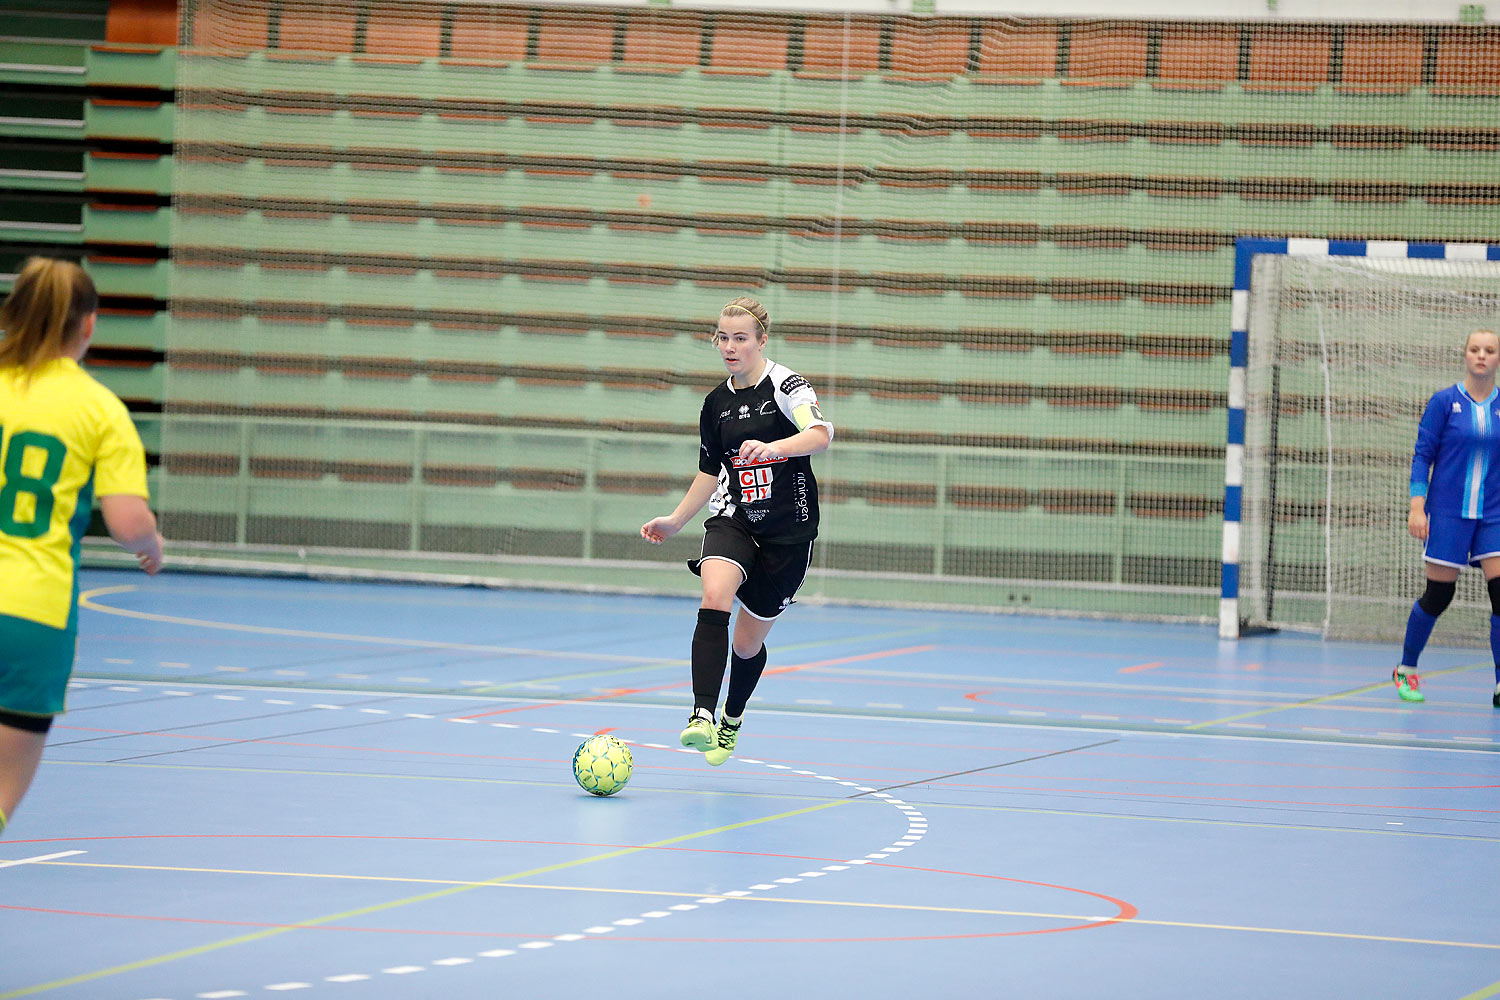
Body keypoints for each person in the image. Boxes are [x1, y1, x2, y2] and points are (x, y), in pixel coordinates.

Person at [0, 257, 164, 836]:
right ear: (89, 325)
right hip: (31, 614)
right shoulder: (99, 409)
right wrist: (150, 544)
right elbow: (126, 519)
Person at [640, 296, 833, 765]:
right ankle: (701, 714)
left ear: (761, 341)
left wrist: (773, 449)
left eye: (740, 338)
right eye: (722, 337)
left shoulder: (788, 386)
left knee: (747, 645)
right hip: (734, 520)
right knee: (714, 595)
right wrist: (676, 519)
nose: (729, 346)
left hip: (788, 535)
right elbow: (710, 470)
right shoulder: (715, 405)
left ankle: (731, 716)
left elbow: (821, 434)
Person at [1396, 327, 1500, 709]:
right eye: (1475, 349)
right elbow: (1423, 455)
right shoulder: (1444, 403)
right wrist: (1416, 505)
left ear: (1498, 359)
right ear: (1465, 355)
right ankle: (1406, 669)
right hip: (1447, 512)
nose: (1482, 356)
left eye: (1490, 350)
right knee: (1439, 595)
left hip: (1493, 515)